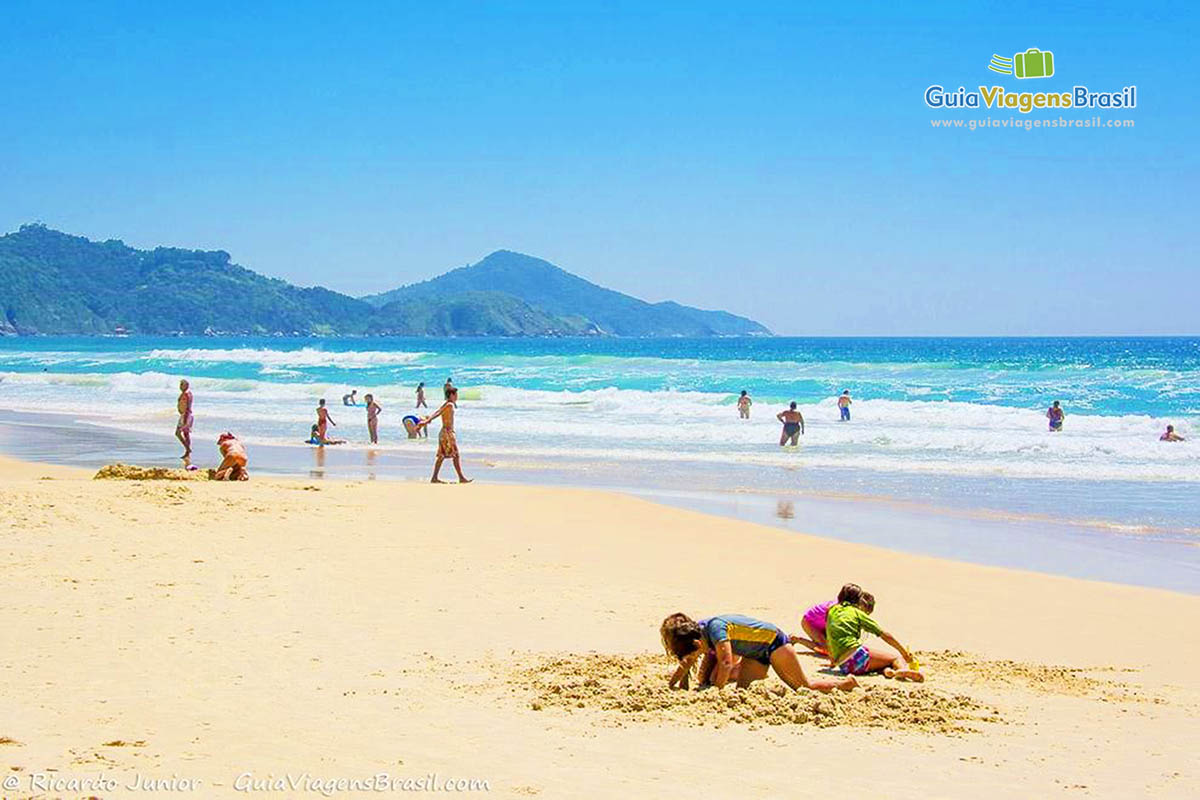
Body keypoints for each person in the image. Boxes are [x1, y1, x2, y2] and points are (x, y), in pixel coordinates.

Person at [660, 613, 856, 694]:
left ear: (696, 642)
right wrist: (672, 685)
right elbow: (687, 662)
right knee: (741, 690)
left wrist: (716, 692)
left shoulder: (715, 629)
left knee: (804, 687)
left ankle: (846, 683)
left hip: (775, 644)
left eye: (693, 651)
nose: (695, 655)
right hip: (755, 654)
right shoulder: (697, 633)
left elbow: (727, 663)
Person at [824, 584, 922, 681]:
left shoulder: (831, 610)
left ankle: (889, 672)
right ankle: (902, 670)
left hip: (845, 666)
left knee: (882, 664)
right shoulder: (856, 612)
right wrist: (904, 653)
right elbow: (885, 635)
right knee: (895, 659)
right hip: (856, 656)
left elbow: (829, 636)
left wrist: (833, 661)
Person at [791, 584, 875, 657]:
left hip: (823, 623)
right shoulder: (839, 611)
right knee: (827, 649)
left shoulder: (848, 607)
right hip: (810, 622)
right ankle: (797, 639)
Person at [417, 386, 471, 483]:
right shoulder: (449, 404)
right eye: (456, 394)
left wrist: (426, 421)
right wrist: (427, 421)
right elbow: (438, 413)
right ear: (451, 395)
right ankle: (461, 478)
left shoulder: (447, 404)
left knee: (442, 456)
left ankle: (435, 477)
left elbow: (437, 412)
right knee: (455, 455)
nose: (457, 396)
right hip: (447, 433)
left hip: (446, 432)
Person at [175, 379, 194, 459]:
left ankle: (188, 449)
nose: (180, 387)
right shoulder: (185, 394)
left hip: (186, 415)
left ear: (186, 386)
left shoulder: (187, 394)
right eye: (180, 385)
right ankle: (187, 451)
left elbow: (187, 405)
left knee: (178, 433)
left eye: (182, 385)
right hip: (184, 415)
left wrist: (186, 417)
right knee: (186, 434)